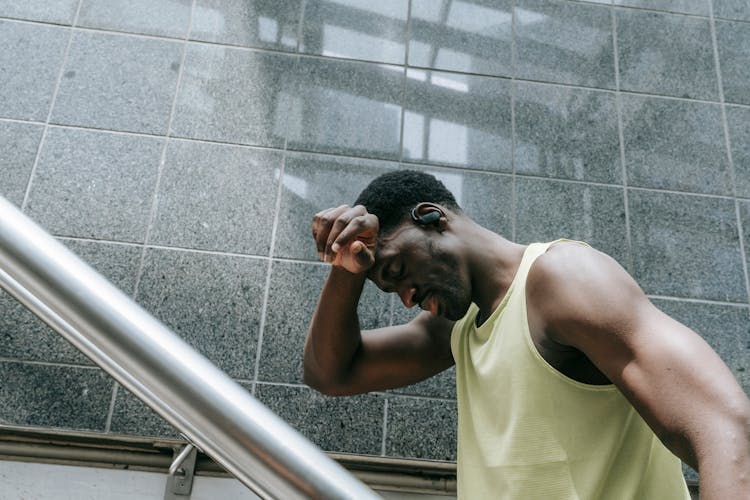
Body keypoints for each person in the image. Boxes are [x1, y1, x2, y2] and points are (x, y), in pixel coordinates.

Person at [303, 170, 750, 499]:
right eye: (390, 288)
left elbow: (722, 428)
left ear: (432, 216)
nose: (407, 297)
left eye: (399, 270)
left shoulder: (561, 280)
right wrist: (347, 268)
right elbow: (332, 373)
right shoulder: (456, 330)